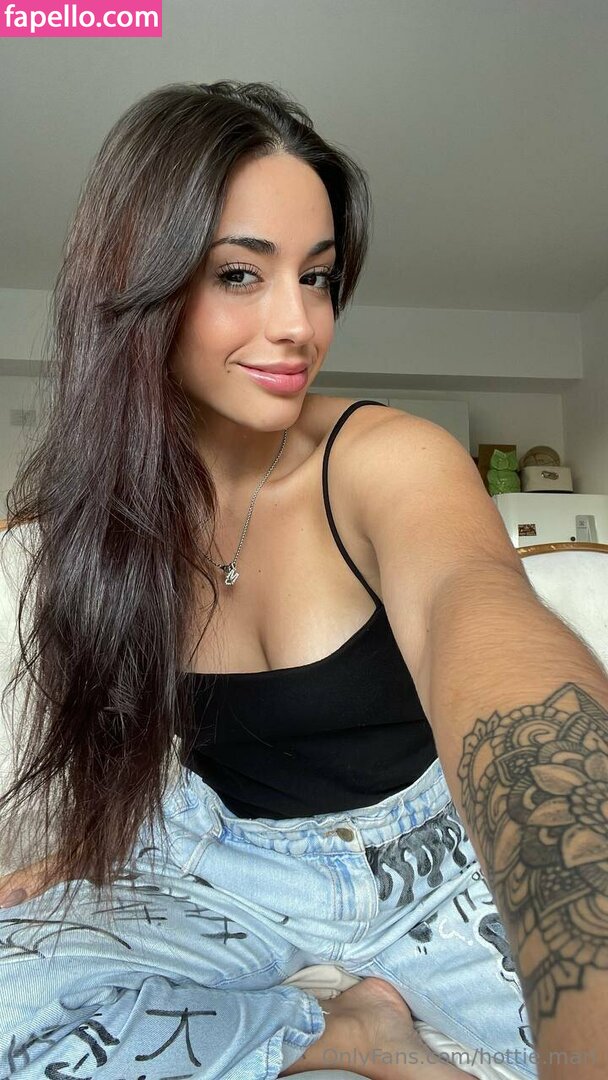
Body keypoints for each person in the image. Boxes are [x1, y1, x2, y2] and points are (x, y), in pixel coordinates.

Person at [0, 80, 607, 1080]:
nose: (299, 324)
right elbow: (126, 732)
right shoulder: (110, 514)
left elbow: (479, 617)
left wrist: (577, 870)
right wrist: (99, 854)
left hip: (433, 869)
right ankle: (346, 1034)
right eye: (240, 274)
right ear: (140, 285)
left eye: (317, 277)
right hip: (221, 863)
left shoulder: (387, 458)